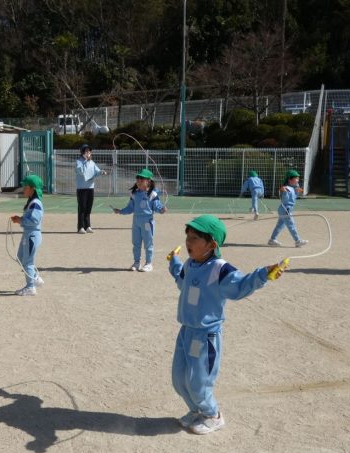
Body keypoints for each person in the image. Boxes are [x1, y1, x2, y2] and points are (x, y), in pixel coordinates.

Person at [167, 215, 287, 435]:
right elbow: (181, 279)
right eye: (188, 237)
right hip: (186, 332)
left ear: (212, 245)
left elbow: (241, 284)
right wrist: (173, 262)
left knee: (198, 381)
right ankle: (197, 411)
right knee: (179, 378)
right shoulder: (190, 264)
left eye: (194, 238)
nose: (188, 242)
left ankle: (213, 415)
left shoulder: (220, 269)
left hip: (205, 336)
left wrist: (264, 274)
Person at [112, 168, 167, 272]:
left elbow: (157, 206)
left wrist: (162, 209)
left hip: (147, 222)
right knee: (136, 243)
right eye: (137, 179)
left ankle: (149, 263)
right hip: (136, 221)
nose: (138, 181)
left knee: (148, 243)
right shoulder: (134, 194)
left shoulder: (152, 194)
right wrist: (121, 211)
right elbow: (130, 208)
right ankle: (136, 263)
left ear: (148, 181)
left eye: (141, 179)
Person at [10, 174, 44, 295]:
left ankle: (30, 287)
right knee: (20, 258)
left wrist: (21, 220)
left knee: (28, 262)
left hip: (32, 236)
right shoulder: (32, 202)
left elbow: (35, 220)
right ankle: (35, 278)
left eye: (26, 187)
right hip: (28, 234)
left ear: (33, 188)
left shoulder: (36, 203)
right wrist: (20, 219)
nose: (24, 189)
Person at [268, 169, 308, 248]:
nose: (298, 180)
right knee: (291, 224)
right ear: (290, 179)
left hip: (285, 209)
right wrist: (284, 192)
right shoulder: (286, 188)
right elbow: (284, 199)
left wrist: (297, 190)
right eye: (296, 178)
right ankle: (297, 240)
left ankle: (272, 240)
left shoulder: (293, 188)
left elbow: (295, 196)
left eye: (298, 178)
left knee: (280, 225)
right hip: (285, 209)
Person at [75, 143, 106, 233]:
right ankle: (80, 227)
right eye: (86, 151)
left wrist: (101, 172)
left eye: (89, 151)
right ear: (82, 152)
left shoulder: (92, 163)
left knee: (88, 207)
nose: (88, 153)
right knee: (82, 208)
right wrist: (84, 160)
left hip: (90, 188)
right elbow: (80, 171)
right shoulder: (78, 162)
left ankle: (87, 226)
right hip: (81, 188)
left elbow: (96, 172)